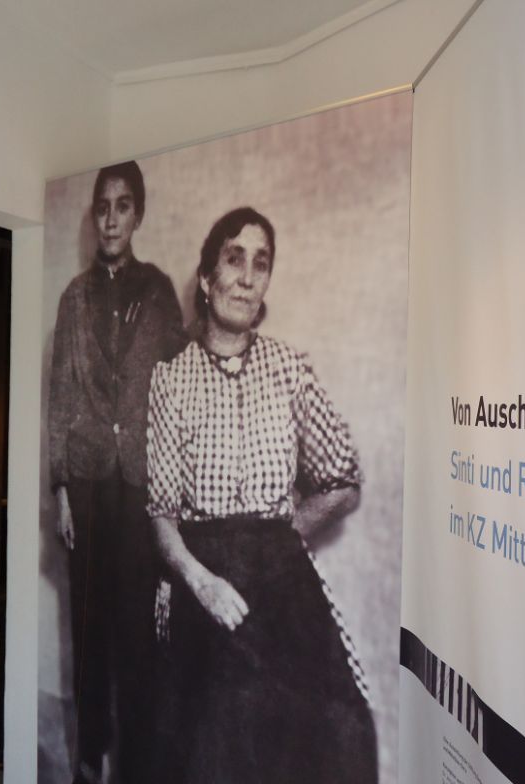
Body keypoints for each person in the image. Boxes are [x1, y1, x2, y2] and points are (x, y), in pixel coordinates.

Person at [146, 206, 378, 782]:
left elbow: (343, 478)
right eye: (234, 258)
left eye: (261, 263)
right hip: (205, 570)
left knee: (343, 721)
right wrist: (199, 582)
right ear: (206, 278)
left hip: (279, 568)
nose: (248, 277)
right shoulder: (171, 379)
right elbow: (160, 517)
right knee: (225, 729)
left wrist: (281, 534)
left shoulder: (288, 369)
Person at [47, 161, 184, 784]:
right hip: (89, 484)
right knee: (89, 623)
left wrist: (175, 487)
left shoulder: (158, 292)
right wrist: (61, 491)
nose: (109, 218)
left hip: (142, 485)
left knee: (140, 630)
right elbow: (60, 398)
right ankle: (87, 758)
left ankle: (135, 765)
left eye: (122, 206)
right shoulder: (73, 298)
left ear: (138, 215)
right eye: (102, 205)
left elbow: (179, 392)